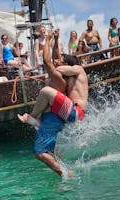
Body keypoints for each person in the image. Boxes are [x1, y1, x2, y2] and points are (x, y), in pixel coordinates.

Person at [18, 30, 88, 176]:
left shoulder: (78, 70)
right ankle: (66, 172)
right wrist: (56, 40)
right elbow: (56, 59)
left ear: (68, 63)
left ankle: (33, 117)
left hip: (76, 112)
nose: (58, 61)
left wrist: (47, 40)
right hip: (67, 113)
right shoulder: (65, 78)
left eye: (61, 61)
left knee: (45, 91)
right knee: (43, 151)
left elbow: (50, 62)